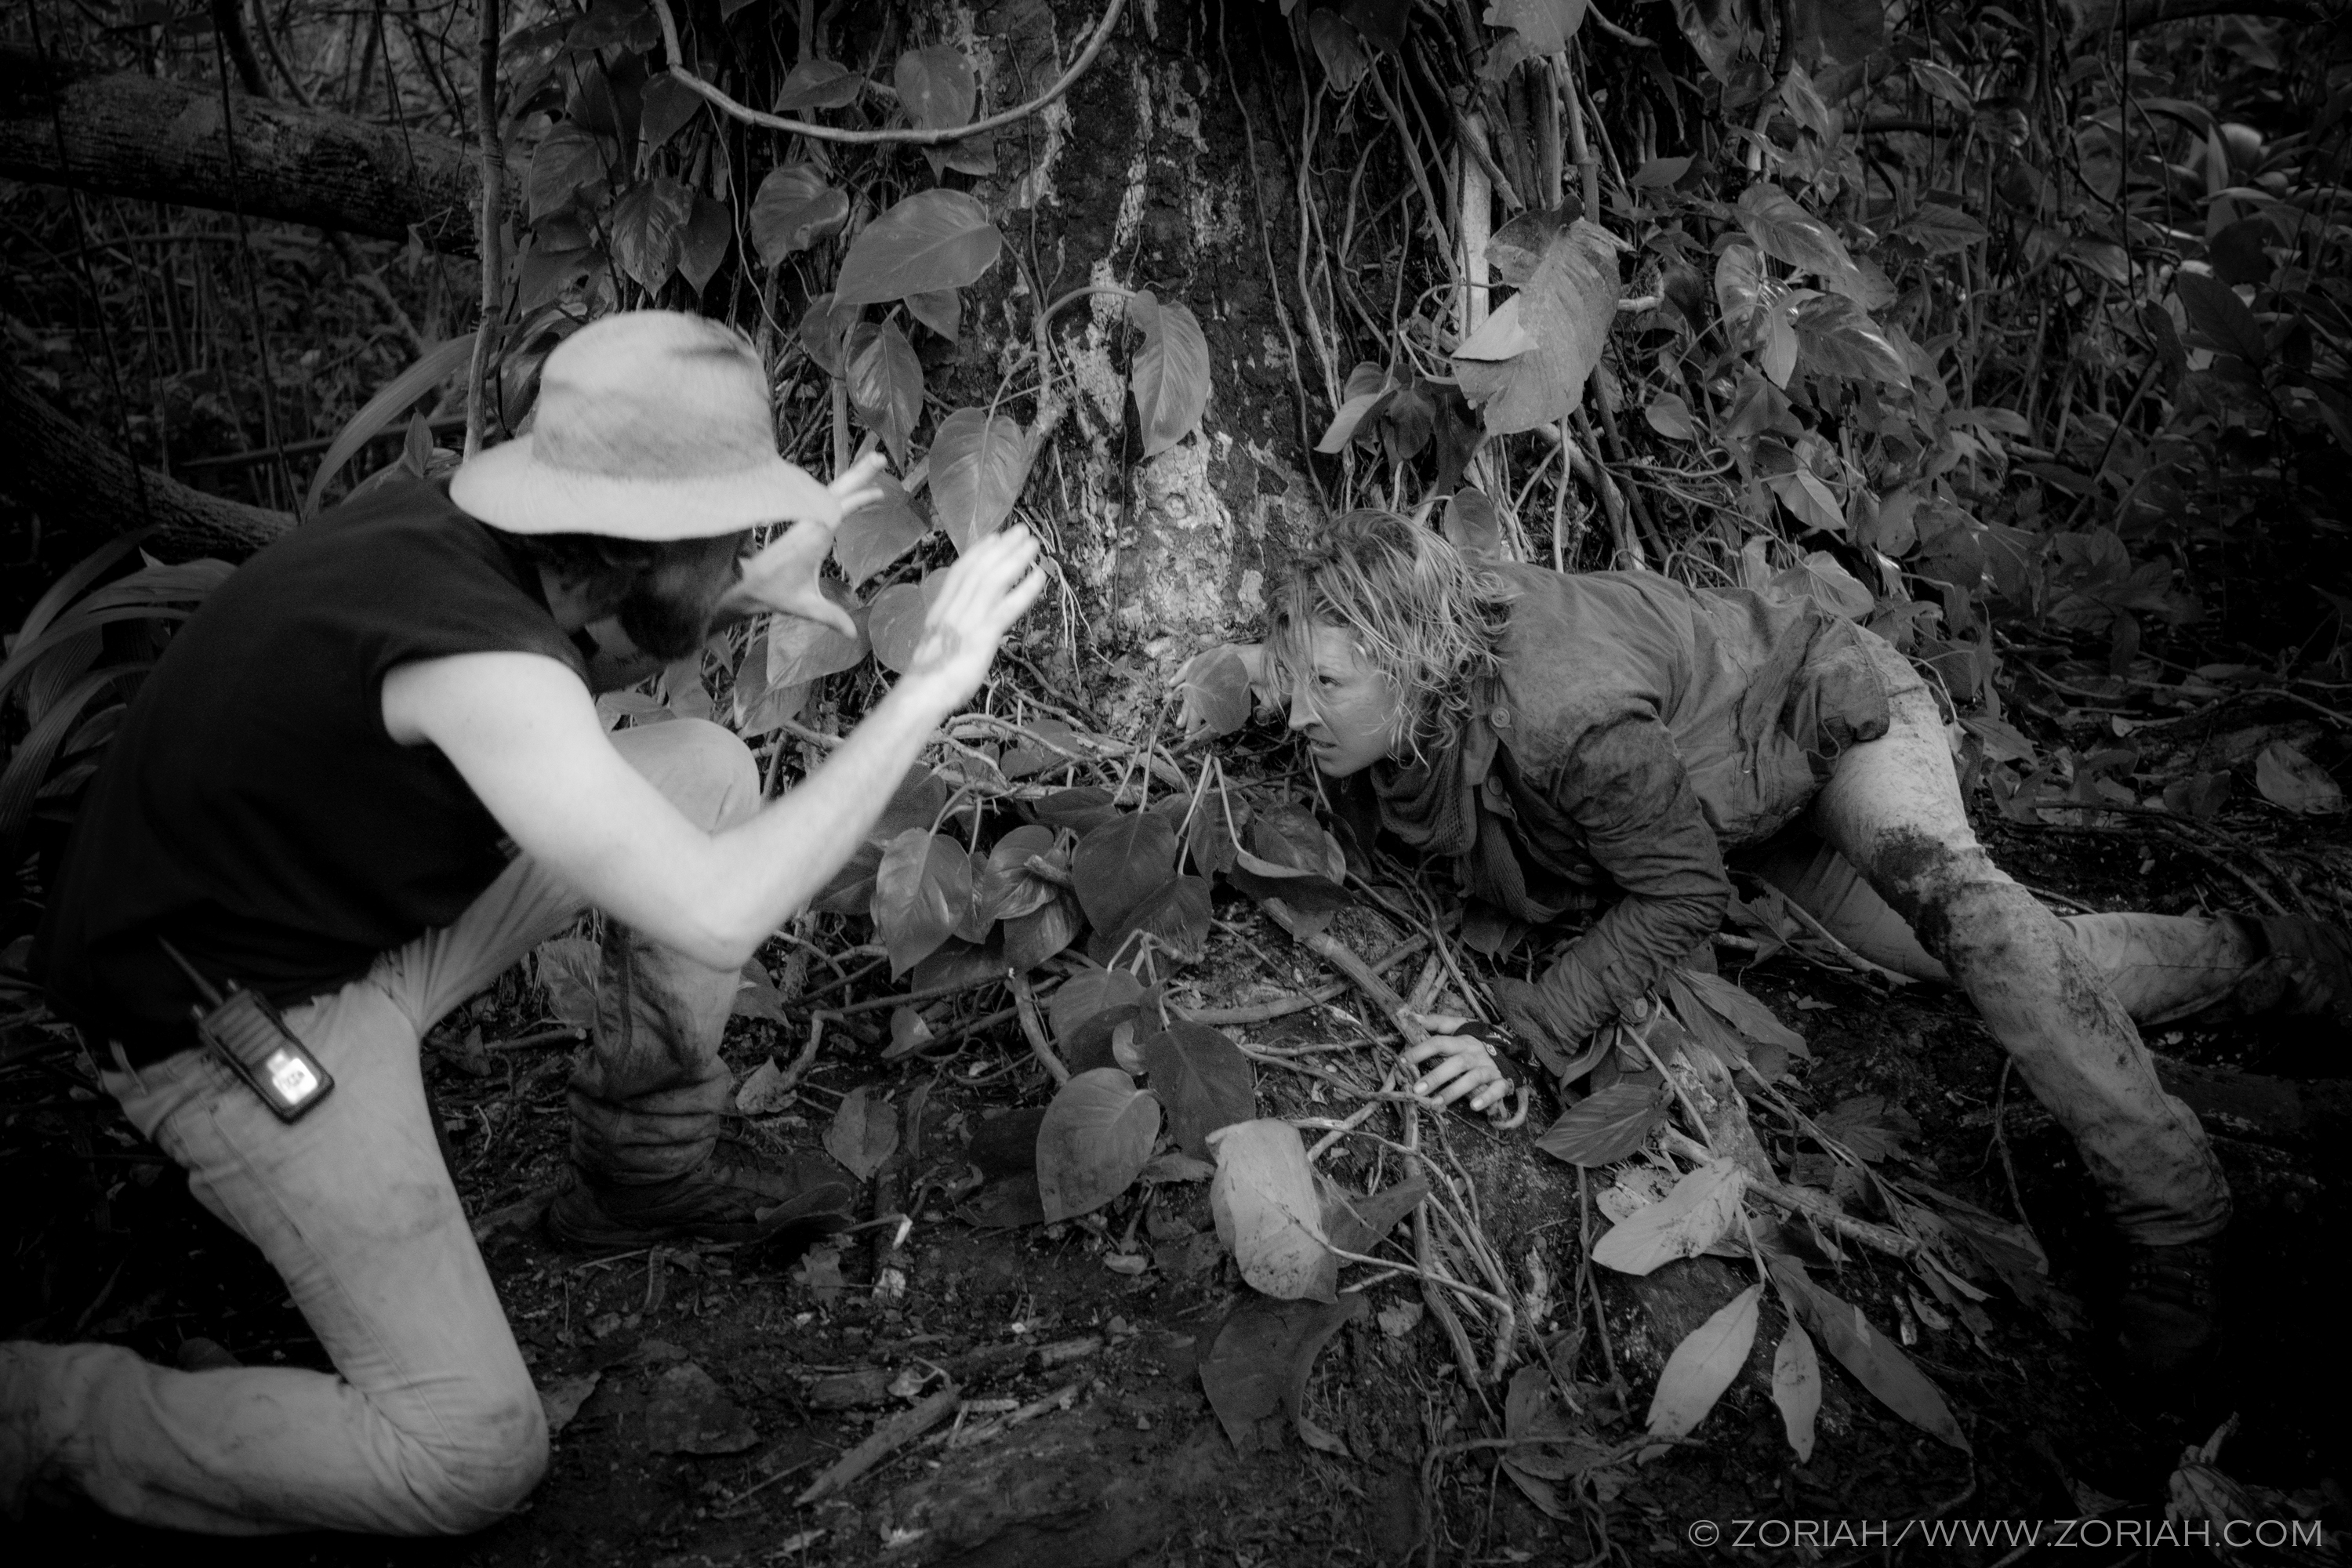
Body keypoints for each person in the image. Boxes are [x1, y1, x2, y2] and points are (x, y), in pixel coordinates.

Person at [2, 310, 1047, 1534]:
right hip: (226, 1017)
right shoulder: (473, 657)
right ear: (628, 549)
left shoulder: (482, 545)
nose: (741, 548)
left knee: (702, 772)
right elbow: (716, 913)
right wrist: (928, 688)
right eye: (721, 539)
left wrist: (735, 599)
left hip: (342, 918)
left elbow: (566, 669)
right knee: (471, 1453)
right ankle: (50, 1412)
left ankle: (637, 1172)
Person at [1218, 507, 2348, 1379]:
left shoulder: (1564, 722)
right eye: (1298, 675)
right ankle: (2274, 961)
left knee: (1973, 919)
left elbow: (1678, 898)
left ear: (1419, 666)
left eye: (1328, 684)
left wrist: (1525, 1036)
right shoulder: (1407, 693)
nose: (1303, 710)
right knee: (2021, 972)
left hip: (1827, 717)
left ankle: (2176, 1212)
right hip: (1728, 796)